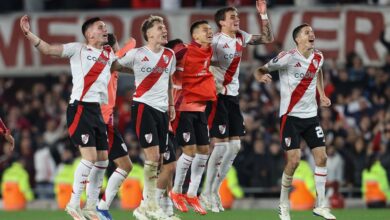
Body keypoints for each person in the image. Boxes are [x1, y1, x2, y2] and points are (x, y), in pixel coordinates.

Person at [20, 15, 129, 220]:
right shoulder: (78, 49)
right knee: (89, 158)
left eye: (105, 27)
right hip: (80, 108)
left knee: (103, 162)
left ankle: (90, 206)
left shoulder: (108, 54)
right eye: (100, 27)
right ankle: (72, 204)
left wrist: (149, 72)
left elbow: (120, 67)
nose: (105, 30)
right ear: (89, 34)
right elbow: (48, 49)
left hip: (97, 111)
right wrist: (28, 34)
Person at [254, 23, 336, 220]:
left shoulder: (318, 57)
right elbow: (261, 68)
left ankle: (321, 205)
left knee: (322, 158)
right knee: (294, 161)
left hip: (311, 116)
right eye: (307, 32)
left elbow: (318, 72)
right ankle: (283, 204)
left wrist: (322, 94)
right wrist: (260, 76)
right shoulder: (287, 57)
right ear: (297, 39)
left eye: (312, 32)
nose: (311, 34)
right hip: (290, 117)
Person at [202, 0, 274, 213]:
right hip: (217, 96)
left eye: (237, 16)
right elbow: (199, 61)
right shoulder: (214, 41)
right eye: (232, 17)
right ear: (221, 22)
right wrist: (211, 77)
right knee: (222, 145)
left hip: (232, 96)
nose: (236, 19)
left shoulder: (242, 36)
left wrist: (263, 15)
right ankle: (206, 192)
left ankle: (214, 190)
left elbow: (268, 38)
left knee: (235, 147)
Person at [117, 15, 176, 220]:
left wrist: (171, 105)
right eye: (160, 28)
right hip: (144, 106)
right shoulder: (137, 53)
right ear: (149, 34)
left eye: (164, 27)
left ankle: (144, 206)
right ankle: (151, 206)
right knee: (152, 157)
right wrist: (130, 65)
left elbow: (168, 81)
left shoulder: (170, 55)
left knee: (159, 159)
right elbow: (114, 66)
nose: (164, 30)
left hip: (162, 111)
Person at [167, 20, 216, 215]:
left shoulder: (209, 51)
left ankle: (192, 193)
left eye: (210, 29)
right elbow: (166, 57)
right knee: (189, 151)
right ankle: (176, 191)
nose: (209, 32)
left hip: (199, 108)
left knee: (204, 151)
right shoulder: (183, 50)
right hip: (182, 108)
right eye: (205, 30)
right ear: (195, 36)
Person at [91, 33, 135, 220]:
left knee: (122, 165)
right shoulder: (106, 59)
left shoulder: (113, 65)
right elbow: (126, 52)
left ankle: (99, 207)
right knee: (97, 164)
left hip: (106, 121)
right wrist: (129, 42)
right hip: (99, 120)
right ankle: (94, 207)